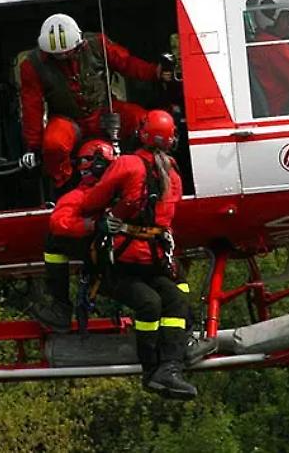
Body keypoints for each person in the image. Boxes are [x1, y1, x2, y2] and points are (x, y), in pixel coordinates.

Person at [77, 109, 196, 400]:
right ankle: (158, 369)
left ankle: (167, 369)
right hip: (139, 262)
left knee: (167, 302)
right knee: (158, 303)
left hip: (124, 262)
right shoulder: (174, 174)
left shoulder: (127, 165)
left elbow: (92, 201)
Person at [19, 13, 165, 188]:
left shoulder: (98, 44)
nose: (63, 57)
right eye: (57, 55)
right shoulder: (32, 65)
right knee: (53, 145)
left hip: (104, 111)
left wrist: (154, 72)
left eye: (67, 52)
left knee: (142, 120)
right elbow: (32, 107)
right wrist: (34, 146)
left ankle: (152, 174)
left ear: (79, 43)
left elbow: (127, 63)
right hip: (68, 120)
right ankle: (64, 185)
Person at [30, 139, 117, 332]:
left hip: (112, 264)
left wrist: (88, 226)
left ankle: (61, 307)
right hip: (136, 257)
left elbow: (58, 223)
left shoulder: (81, 195)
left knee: (53, 242)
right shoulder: (132, 184)